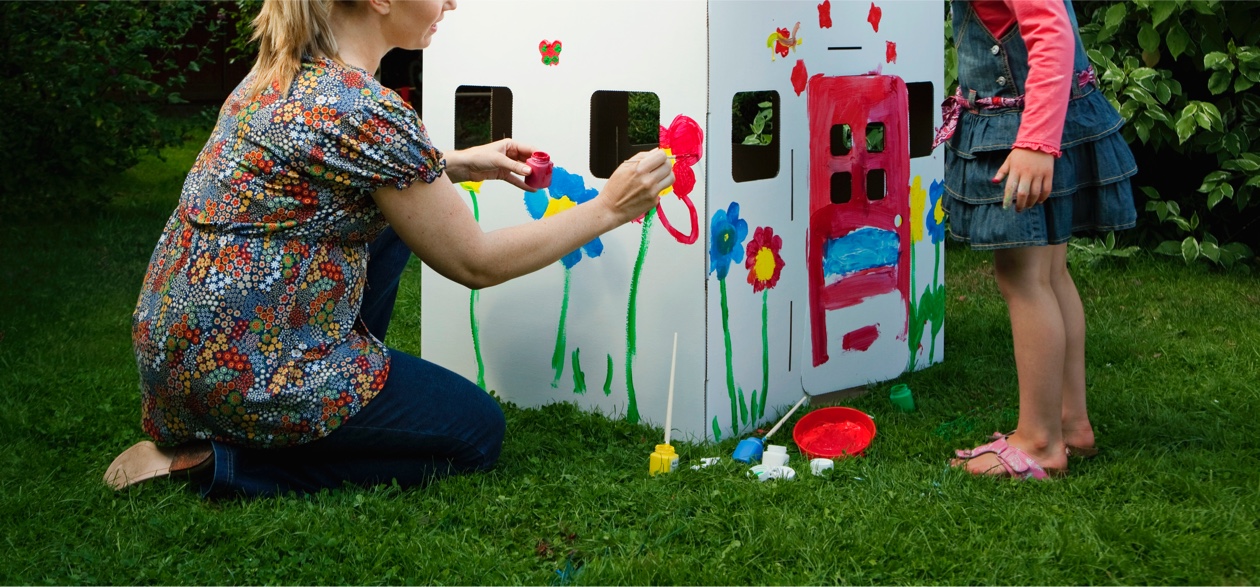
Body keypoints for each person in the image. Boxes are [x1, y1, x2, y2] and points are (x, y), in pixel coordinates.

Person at [104, 0, 674, 497]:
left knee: (393, 227)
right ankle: (228, 463)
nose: (450, 2)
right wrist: (609, 208)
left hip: (176, 354)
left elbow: (331, 167)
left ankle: (292, 408)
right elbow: (474, 262)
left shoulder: (275, 73)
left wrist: (457, 162)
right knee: (475, 432)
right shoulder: (367, 111)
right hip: (249, 372)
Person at [936, 0, 1136, 479]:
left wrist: (1035, 143)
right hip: (1041, 120)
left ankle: (1040, 443)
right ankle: (1071, 423)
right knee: (1048, 273)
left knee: (1022, 277)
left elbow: (1051, 32)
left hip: (1024, 132)